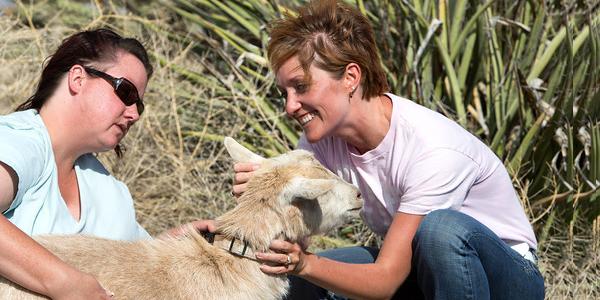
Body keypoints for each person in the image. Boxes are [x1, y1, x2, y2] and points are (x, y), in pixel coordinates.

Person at [232, 0, 545, 299]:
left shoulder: (432, 149)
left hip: (507, 282)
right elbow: (293, 240)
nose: (290, 106)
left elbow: (385, 281)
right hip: (420, 274)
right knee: (298, 283)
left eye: (301, 86)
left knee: (440, 231)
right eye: (284, 92)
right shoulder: (323, 138)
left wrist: (306, 264)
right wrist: (247, 215)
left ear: (350, 77)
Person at [0, 29, 215, 299]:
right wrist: (64, 282)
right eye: (125, 91)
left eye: (139, 104)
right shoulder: (19, 141)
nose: (135, 114)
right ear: (78, 78)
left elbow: (125, 257)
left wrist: (176, 241)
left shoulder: (109, 189)